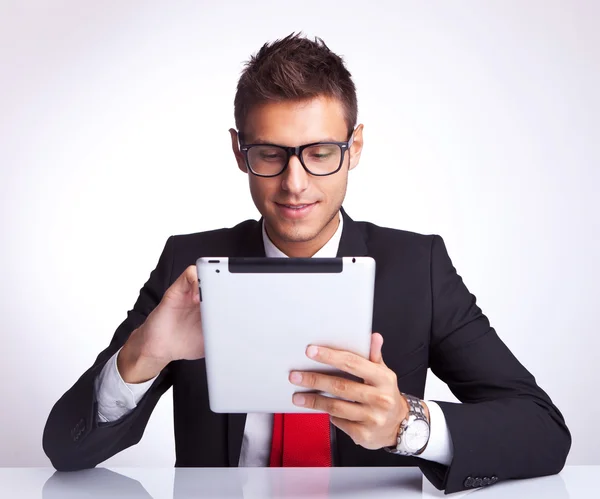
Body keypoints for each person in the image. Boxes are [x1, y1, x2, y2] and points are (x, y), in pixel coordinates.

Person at [42, 33, 571, 494]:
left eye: (320, 153)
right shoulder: (189, 266)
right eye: (270, 154)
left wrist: (407, 425)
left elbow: (543, 431)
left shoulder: (419, 267)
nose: (295, 183)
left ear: (355, 146)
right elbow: (65, 450)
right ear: (238, 151)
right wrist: (142, 355)